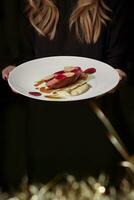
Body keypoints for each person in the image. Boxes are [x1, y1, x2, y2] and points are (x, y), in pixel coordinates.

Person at [0, 0, 132, 190]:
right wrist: (11, 67)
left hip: (97, 128)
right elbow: (21, 57)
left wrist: (119, 73)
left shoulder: (113, 4)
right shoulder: (28, 4)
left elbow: (118, 60)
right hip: (43, 129)